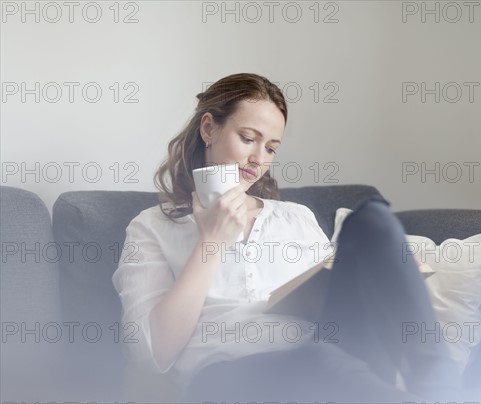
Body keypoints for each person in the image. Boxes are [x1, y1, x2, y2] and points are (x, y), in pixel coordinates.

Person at [112, 73, 460, 403]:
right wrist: (212, 242)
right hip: (225, 378)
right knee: (319, 360)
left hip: (332, 359)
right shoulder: (151, 227)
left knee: (371, 219)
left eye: (271, 148)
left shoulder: (295, 217)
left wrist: (386, 269)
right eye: (248, 139)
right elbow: (153, 353)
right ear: (209, 128)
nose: (257, 159)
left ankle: (437, 383)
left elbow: (331, 295)